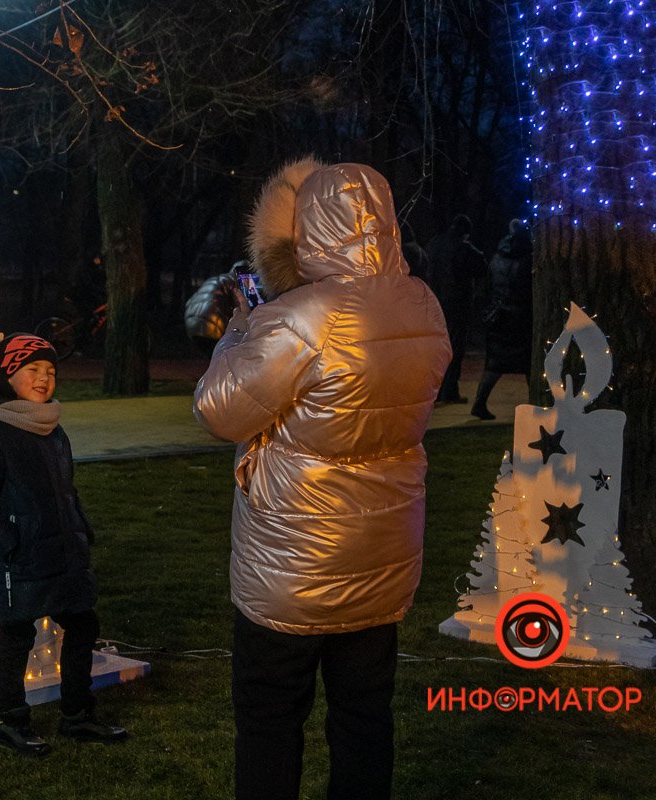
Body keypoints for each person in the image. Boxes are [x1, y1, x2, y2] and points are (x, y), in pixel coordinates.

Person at [194, 158, 450, 800]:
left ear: (308, 225)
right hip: (383, 555)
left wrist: (239, 332)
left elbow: (218, 411)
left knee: (271, 721)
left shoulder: (299, 320)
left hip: (291, 567)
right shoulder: (423, 303)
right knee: (364, 720)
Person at [0, 333, 127, 757]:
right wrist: (8, 542)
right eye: (33, 370)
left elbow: (64, 490)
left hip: (60, 552)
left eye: (50, 371)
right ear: (10, 376)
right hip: (18, 559)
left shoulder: (53, 430)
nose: (44, 379)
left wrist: (78, 527)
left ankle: (77, 715)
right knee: (17, 635)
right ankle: (11, 720)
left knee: (83, 625)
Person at [471, 219, 533, 420]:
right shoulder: (528, 259)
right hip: (520, 318)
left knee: (494, 364)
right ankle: (537, 403)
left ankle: (480, 402)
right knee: (530, 364)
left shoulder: (497, 258)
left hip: (498, 318)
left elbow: (489, 287)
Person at [425, 214, 486, 403]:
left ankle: (434, 389)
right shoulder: (464, 248)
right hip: (457, 304)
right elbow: (482, 266)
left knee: (436, 347)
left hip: (434, 302)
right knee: (454, 346)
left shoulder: (435, 244)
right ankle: (449, 390)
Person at [184, 263, 240, 353]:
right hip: (213, 326)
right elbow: (238, 304)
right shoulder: (233, 283)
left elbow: (189, 302)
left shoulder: (212, 280)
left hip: (192, 322)